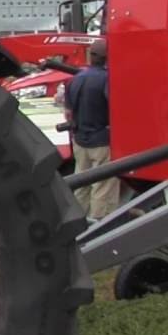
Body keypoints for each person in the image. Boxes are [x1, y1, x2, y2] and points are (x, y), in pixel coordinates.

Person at [64, 38, 117, 220]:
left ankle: (78, 223)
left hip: (80, 141)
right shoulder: (107, 80)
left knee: (82, 185)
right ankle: (99, 225)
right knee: (103, 187)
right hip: (102, 142)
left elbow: (68, 113)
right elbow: (116, 109)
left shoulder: (75, 79)